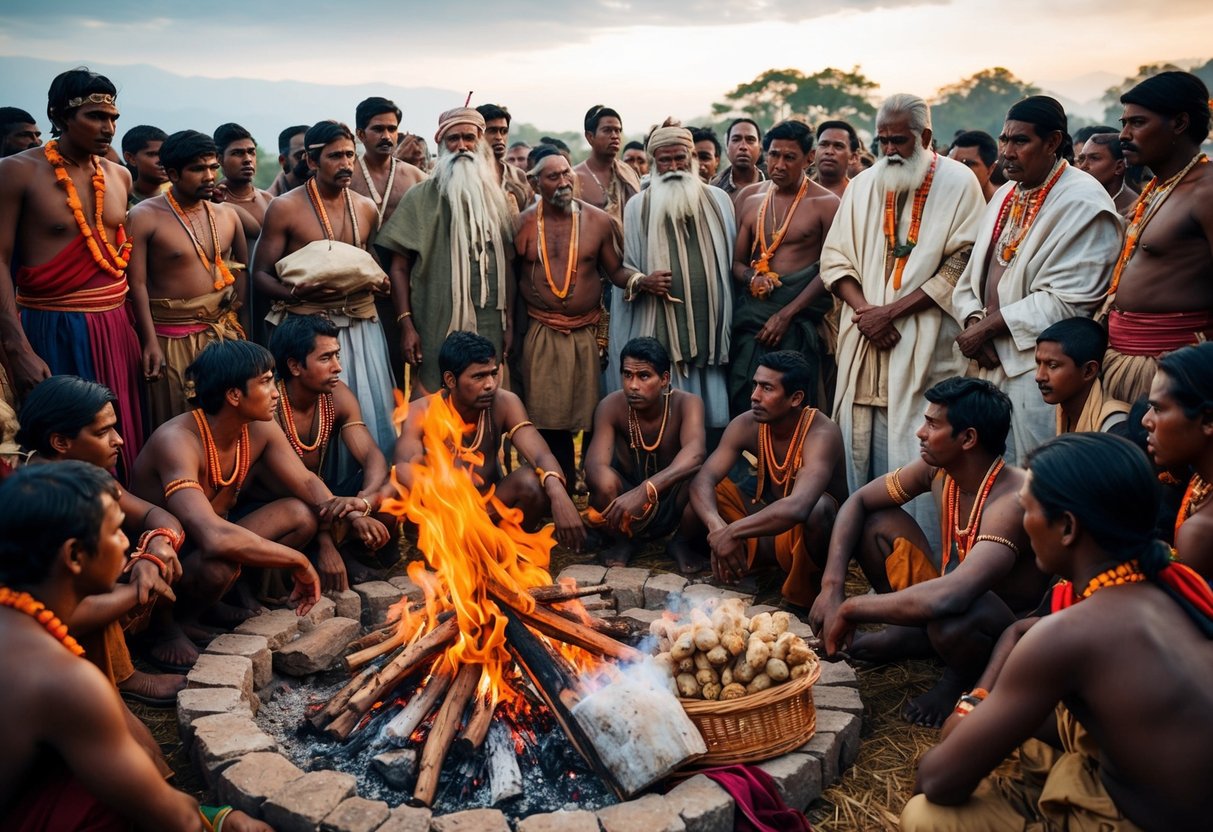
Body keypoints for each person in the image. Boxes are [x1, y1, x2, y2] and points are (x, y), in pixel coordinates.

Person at [901, 432, 1213, 832]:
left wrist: (971, 714)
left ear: (1066, 527)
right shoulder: (1180, 584)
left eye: (1026, 510)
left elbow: (938, 781)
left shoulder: (1070, 633)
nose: (1023, 524)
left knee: (926, 815)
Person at [0, 463, 273, 832]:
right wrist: (221, 820)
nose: (127, 543)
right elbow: (177, 821)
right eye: (115, 531)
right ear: (75, 555)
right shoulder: (63, 680)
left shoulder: (20, 622)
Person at [812, 377, 1045, 726]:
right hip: (950, 601)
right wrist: (832, 588)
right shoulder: (938, 470)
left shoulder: (1011, 500)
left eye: (933, 424)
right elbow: (858, 501)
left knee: (957, 612)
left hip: (1004, 629)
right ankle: (915, 638)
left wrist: (852, 607)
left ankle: (956, 678)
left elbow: (954, 595)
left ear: (967, 438)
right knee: (877, 523)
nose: (921, 432)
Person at [129, 340, 361, 669]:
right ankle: (164, 627)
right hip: (160, 560)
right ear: (234, 396)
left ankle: (209, 605)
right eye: (266, 382)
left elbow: (306, 481)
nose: (276, 392)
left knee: (300, 515)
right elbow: (214, 537)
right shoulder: (177, 441)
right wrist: (299, 562)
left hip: (210, 542)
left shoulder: (259, 427)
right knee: (220, 562)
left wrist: (351, 511)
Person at [822, 94, 985, 550]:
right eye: (883, 140)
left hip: (922, 339)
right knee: (864, 448)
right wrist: (866, 312)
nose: (890, 149)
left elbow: (964, 260)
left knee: (920, 444)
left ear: (926, 137)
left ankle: (925, 559)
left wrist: (891, 311)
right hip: (864, 338)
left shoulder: (959, 182)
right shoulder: (863, 184)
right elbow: (835, 261)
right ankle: (873, 557)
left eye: (900, 140)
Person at [953, 95, 1121, 463]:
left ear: (1053, 142)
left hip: (1037, 368)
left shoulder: (1083, 201)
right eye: (1004, 140)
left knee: (1032, 474)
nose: (1007, 152)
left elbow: (1070, 300)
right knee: (985, 473)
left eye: (1020, 141)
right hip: (988, 360)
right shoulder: (1005, 196)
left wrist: (988, 329)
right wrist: (973, 321)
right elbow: (971, 276)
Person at [0, 68, 146, 474]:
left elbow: (122, 260)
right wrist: (18, 348)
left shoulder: (119, 175)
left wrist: (142, 336)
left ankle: (123, 530)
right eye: (96, 117)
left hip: (117, 326)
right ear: (59, 116)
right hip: (51, 326)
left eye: (113, 117)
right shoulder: (16, 171)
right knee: (64, 446)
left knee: (118, 438)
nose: (109, 128)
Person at [16, 375, 187, 706]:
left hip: (85, 600)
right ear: (60, 442)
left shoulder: (86, 475)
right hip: (32, 626)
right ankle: (120, 680)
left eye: (115, 427)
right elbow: (60, 613)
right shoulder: (37, 500)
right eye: (102, 432)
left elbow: (159, 516)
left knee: (156, 558)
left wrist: (154, 551)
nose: (119, 440)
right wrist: (140, 587)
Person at [253, 120, 396, 481]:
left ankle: (368, 498)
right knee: (312, 417)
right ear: (312, 162)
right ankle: (316, 499)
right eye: (335, 156)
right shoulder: (284, 208)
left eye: (349, 154)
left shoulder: (365, 208)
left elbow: (369, 266)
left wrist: (382, 283)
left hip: (362, 328)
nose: (346, 163)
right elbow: (260, 275)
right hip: (306, 331)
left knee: (366, 407)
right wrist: (296, 294)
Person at [392, 331, 586, 552]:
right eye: (479, 377)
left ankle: (508, 555)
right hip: (443, 520)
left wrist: (558, 492)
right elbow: (403, 470)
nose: (490, 384)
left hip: (490, 512)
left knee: (532, 481)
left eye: (493, 374)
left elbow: (541, 454)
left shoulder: (504, 403)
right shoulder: (421, 412)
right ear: (450, 380)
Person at [243, 314, 392, 590]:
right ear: (295, 366)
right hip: (277, 510)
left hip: (323, 504)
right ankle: (289, 573)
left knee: (393, 485)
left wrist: (363, 501)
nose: (337, 367)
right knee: (304, 513)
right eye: (326, 359)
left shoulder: (336, 397)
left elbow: (372, 456)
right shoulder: (267, 408)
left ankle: (349, 556)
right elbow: (302, 483)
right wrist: (349, 520)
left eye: (337, 356)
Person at [691, 351, 847, 609]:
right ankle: (741, 567)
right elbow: (703, 478)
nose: (754, 395)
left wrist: (732, 532)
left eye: (767, 388)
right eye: (755, 385)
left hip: (805, 536)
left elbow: (799, 507)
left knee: (819, 508)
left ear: (795, 398)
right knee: (708, 488)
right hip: (768, 526)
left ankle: (803, 597)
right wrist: (717, 527)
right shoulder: (747, 424)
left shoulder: (821, 433)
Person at [376, 107, 515, 396]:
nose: (462, 146)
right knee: (434, 406)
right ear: (441, 144)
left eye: (469, 138)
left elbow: (510, 267)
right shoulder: (420, 197)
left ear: (481, 143)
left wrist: (510, 322)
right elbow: (398, 268)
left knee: (487, 398)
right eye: (453, 138)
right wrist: (407, 325)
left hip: (491, 322)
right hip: (434, 324)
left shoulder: (498, 200)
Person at [606, 124, 736, 429]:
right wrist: (644, 281)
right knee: (666, 415)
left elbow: (731, 264)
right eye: (665, 160)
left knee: (713, 418)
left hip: (711, 329)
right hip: (660, 322)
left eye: (681, 158)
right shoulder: (639, 206)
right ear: (654, 162)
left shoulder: (720, 201)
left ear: (692, 158)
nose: (674, 166)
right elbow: (628, 266)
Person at [514, 146, 625, 485]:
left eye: (566, 173)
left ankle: (593, 480)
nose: (564, 181)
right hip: (542, 328)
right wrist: (512, 334)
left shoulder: (599, 221)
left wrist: (640, 280)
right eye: (553, 176)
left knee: (597, 412)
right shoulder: (522, 224)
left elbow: (616, 272)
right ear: (535, 184)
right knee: (546, 414)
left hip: (589, 330)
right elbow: (512, 281)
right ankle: (558, 478)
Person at [1102, 71, 1213, 405]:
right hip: (1124, 361)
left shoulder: (1207, 191)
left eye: (1137, 123)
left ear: (1179, 123)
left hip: (1175, 374)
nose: (1123, 135)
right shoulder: (1157, 189)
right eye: (1123, 123)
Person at [126, 130, 248, 427]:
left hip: (222, 335)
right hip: (170, 339)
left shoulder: (228, 215)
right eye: (197, 169)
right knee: (178, 420)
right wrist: (149, 343)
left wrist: (239, 328)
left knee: (229, 419)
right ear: (172, 174)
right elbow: (136, 285)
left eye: (212, 167)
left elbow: (241, 273)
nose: (208, 176)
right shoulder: (144, 216)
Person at [730, 119, 839, 417]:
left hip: (795, 323)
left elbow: (830, 270)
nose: (779, 164)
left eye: (789, 157)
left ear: (809, 158)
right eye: (773, 154)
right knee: (745, 398)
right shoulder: (749, 198)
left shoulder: (826, 203)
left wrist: (786, 314)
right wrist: (752, 277)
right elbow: (737, 264)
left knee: (793, 405)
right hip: (753, 321)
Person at [585, 337, 707, 571]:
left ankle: (681, 542)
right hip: (624, 504)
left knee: (701, 478)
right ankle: (624, 541)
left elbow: (696, 453)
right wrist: (633, 492)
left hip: (674, 499)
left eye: (643, 376)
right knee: (601, 478)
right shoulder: (611, 406)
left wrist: (648, 489)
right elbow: (594, 466)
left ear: (664, 379)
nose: (633, 385)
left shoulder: (687, 404)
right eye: (627, 375)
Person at [351, 97, 426, 391]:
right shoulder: (347, 176)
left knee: (414, 364)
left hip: (408, 283)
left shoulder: (416, 178)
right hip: (362, 290)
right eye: (378, 129)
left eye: (392, 129)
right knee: (375, 373)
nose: (387, 136)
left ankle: (411, 432)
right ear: (360, 134)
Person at [1142, 342, 1213, 577]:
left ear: (1208, 421)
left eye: (1158, 409)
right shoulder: (1201, 480)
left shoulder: (1201, 534)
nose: (1146, 420)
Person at [1035, 316, 1128, 434]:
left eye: (1052, 366)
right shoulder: (1063, 414)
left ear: (1088, 371)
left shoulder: (1116, 428)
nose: (1039, 376)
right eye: (1038, 364)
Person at [573, 105, 641, 227]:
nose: (615, 136)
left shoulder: (628, 174)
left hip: (629, 245)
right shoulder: (575, 178)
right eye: (607, 130)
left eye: (618, 130)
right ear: (590, 137)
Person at [212, 122, 273, 231]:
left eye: (251, 152)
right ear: (219, 159)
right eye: (237, 153)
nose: (247, 159)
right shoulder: (211, 201)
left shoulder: (268, 200)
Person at [476, 103, 533, 216]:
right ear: (477, 134)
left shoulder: (518, 177)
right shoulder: (467, 175)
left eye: (504, 131)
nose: (499, 137)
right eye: (492, 131)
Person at [1076, 129, 1138, 214]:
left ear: (1119, 167)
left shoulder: (1135, 208)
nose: (1083, 166)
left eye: (1094, 158)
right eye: (1081, 159)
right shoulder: (1077, 197)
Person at [712, 118, 766, 209]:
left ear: (760, 148)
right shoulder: (714, 189)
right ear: (727, 147)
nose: (743, 146)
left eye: (750, 140)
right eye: (736, 139)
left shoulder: (774, 184)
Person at [121, 124, 168, 206]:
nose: (162, 160)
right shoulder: (118, 200)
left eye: (165, 153)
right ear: (131, 158)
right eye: (152, 154)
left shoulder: (182, 195)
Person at [947, 130, 999, 202]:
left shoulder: (1004, 208)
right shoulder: (943, 202)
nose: (956, 171)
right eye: (951, 164)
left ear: (991, 169)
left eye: (966, 164)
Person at [812, 120, 858, 198]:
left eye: (838, 146)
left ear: (853, 158)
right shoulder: (797, 194)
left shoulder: (860, 196)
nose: (829, 151)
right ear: (813, 153)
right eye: (823, 144)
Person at [266, 124, 310, 196]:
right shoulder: (268, 203)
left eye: (313, 154)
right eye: (300, 155)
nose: (309, 161)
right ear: (283, 160)